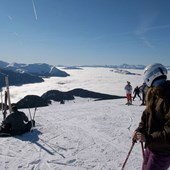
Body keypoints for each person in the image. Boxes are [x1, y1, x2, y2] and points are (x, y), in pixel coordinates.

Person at [132, 63, 170, 170]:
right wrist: (140, 129)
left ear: (150, 77)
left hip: (162, 153)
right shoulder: (155, 94)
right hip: (151, 146)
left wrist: (148, 138)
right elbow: (146, 115)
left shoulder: (167, 98)